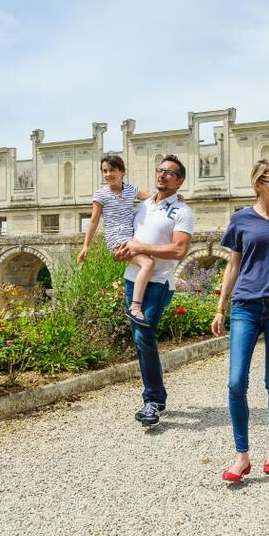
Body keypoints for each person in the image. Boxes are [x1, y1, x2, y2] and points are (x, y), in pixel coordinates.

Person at [211, 159, 269, 483]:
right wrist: (220, 307)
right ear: (259, 184)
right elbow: (233, 265)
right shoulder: (240, 219)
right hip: (245, 307)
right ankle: (241, 456)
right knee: (236, 382)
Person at [112, 155, 194, 427]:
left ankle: (153, 400)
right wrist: (124, 251)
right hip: (132, 279)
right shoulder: (144, 206)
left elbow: (179, 250)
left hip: (159, 282)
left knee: (144, 335)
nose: (162, 175)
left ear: (179, 180)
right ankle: (155, 398)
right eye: (160, 170)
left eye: (169, 173)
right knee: (140, 337)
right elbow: (130, 242)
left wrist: (141, 249)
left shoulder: (182, 212)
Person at [78, 154, 158, 325]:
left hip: (132, 237)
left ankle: (145, 298)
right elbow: (93, 221)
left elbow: (153, 199)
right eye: (104, 171)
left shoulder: (131, 190)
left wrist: (175, 198)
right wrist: (86, 246)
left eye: (112, 170)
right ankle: (135, 307)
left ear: (122, 172)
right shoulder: (101, 195)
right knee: (148, 263)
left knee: (151, 259)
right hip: (117, 238)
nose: (108, 174)